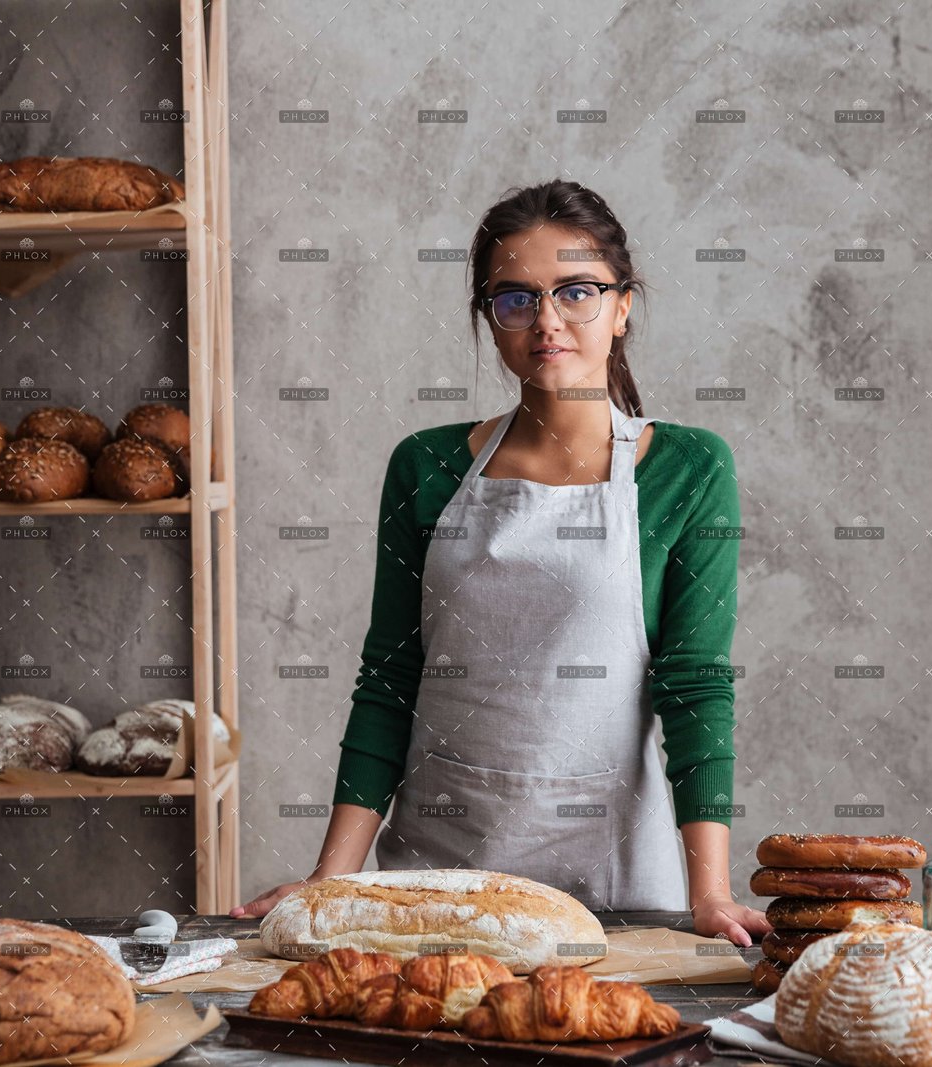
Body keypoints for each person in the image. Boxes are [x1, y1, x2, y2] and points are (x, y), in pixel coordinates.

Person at [233, 178, 772, 946]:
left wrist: (711, 894)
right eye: (514, 298)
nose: (546, 321)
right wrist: (332, 880)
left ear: (622, 307)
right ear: (490, 319)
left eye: (575, 292)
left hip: (615, 892)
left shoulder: (688, 468)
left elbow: (694, 688)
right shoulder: (424, 466)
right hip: (437, 882)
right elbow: (390, 678)